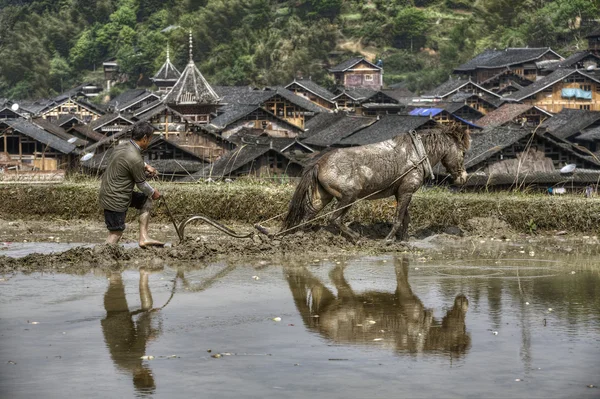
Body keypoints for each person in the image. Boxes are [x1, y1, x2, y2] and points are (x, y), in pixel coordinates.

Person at [99, 122, 163, 247]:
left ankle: (144, 238)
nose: (149, 142)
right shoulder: (135, 158)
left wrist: (145, 166)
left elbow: (128, 161)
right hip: (115, 197)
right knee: (116, 232)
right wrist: (153, 192)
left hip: (115, 192)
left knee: (146, 202)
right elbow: (142, 184)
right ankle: (99, 256)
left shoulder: (123, 146)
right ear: (144, 138)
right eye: (149, 139)